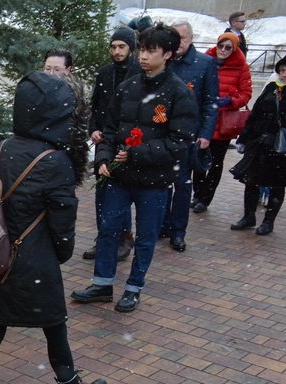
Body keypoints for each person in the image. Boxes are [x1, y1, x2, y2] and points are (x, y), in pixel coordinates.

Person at [0, 72, 107, 384]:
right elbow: (62, 220)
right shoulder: (56, 159)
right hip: (34, 259)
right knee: (53, 324)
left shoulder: (6, 147)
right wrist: (62, 252)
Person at [71, 24, 198, 314]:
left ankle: (133, 288)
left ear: (167, 54)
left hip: (153, 180)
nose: (143, 56)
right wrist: (103, 158)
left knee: (146, 236)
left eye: (151, 51)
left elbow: (179, 141)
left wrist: (136, 154)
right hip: (119, 176)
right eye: (142, 49)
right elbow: (110, 128)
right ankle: (102, 284)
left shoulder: (178, 93)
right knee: (109, 229)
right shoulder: (128, 86)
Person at [85, 27, 141, 263]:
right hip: (104, 141)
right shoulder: (105, 73)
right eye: (113, 46)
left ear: (131, 48)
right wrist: (94, 129)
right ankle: (104, 237)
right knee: (102, 191)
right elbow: (96, 107)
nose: (117, 51)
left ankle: (123, 238)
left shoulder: (138, 73)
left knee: (121, 192)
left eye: (122, 47)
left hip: (127, 142)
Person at [161, 20, 218, 253]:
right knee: (162, 183)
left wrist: (205, 133)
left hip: (188, 136)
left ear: (191, 38)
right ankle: (162, 226)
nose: (178, 43)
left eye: (182, 38)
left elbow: (210, 103)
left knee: (182, 185)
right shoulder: (165, 61)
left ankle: (177, 232)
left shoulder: (204, 64)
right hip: (163, 134)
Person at [229, 53, 286, 236]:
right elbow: (255, 116)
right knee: (251, 181)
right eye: (282, 70)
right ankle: (248, 216)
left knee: (276, 183)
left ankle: (268, 222)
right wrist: (243, 138)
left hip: (281, 146)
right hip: (259, 143)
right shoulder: (271, 88)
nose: (284, 74)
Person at [191, 33, 253, 212]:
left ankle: (206, 198)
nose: (223, 50)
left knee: (216, 163)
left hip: (224, 122)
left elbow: (246, 93)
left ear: (234, 49)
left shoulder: (241, 66)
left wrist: (230, 101)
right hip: (204, 120)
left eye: (228, 47)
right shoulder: (206, 61)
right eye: (221, 46)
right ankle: (197, 193)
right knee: (198, 159)